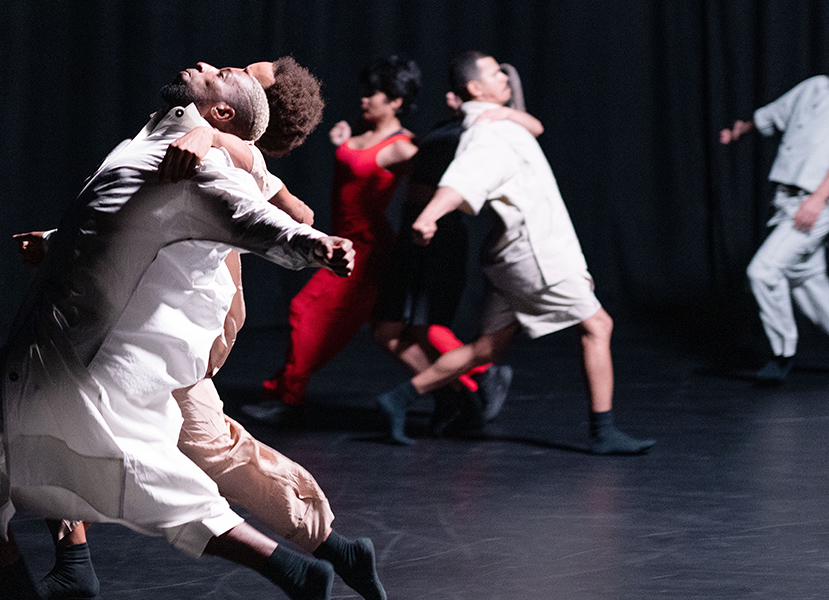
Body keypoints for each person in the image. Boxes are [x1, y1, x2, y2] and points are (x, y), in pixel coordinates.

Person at [0, 57, 354, 600]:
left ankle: (319, 549)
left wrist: (314, 245)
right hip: (112, 329)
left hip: (147, 338)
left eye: (238, 71)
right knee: (94, 453)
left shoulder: (214, 159)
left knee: (171, 456)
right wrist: (56, 241)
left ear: (228, 110)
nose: (215, 62)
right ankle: (62, 567)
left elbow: (271, 216)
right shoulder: (164, 139)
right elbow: (118, 219)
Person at [376, 51, 655, 456]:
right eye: (495, 74)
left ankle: (399, 398)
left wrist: (509, 115)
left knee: (488, 349)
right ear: (475, 87)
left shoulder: (495, 122)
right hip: (536, 256)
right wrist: (431, 215)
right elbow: (465, 179)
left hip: (515, 255)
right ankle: (603, 430)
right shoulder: (490, 134)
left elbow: (522, 131)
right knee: (598, 326)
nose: (505, 77)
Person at [370, 63, 540, 436]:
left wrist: (509, 111)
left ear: (476, 93)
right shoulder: (444, 128)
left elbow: (534, 126)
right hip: (413, 232)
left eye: (458, 92)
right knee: (389, 331)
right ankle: (455, 397)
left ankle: (478, 378)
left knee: (427, 330)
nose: (449, 96)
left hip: (440, 235)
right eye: (450, 92)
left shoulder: (481, 128)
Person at [250, 56, 422, 424]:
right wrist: (342, 141)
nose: (365, 99)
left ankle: (289, 397)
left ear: (396, 101)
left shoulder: (404, 146)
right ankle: (469, 382)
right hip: (346, 241)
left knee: (304, 310)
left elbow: (435, 171)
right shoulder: (362, 132)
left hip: (367, 249)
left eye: (374, 94)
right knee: (385, 332)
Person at [720, 38, 829, 385]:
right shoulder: (815, 87)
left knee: (763, 271)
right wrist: (741, 130)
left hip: (818, 202)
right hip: (786, 199)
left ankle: (782, 352)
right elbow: (772, 116)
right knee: (807, 282)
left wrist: (817, 200)